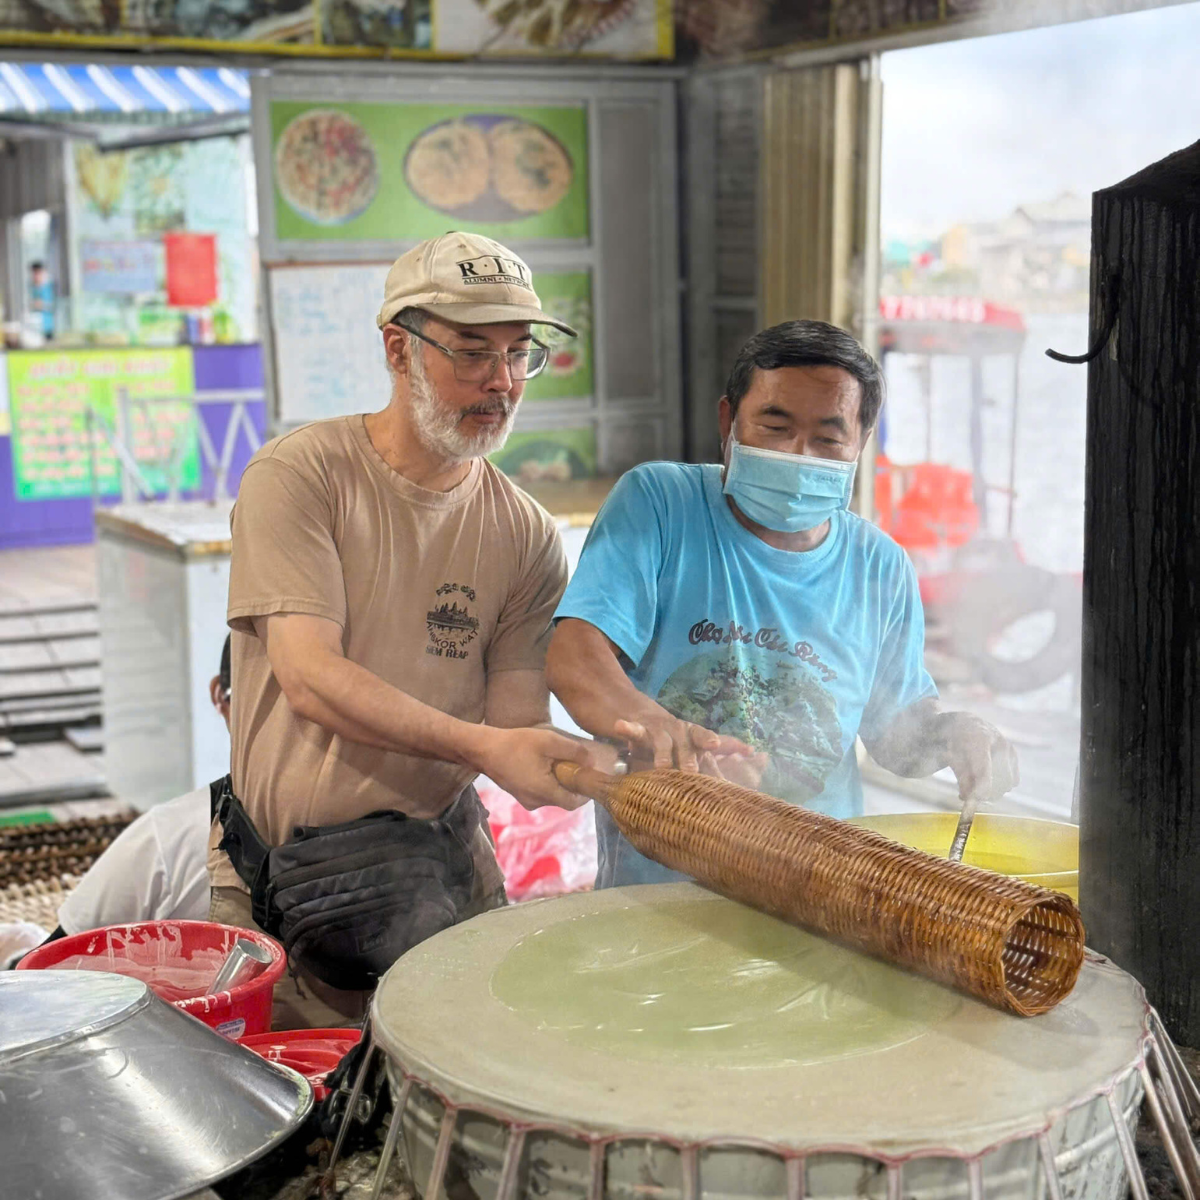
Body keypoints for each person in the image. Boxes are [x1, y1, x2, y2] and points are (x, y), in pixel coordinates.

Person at [207, 231, 603, 1029]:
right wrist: (488, 748)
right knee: (298, 1125)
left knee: (467, 1103)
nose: (501, 381)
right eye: (471, 352)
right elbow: (311, 677)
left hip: (439, 874)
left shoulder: (522, 532)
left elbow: (515, 720)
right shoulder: (302, 476)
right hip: (280, 884)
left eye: (519, 353)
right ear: (399, 349)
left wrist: (585, 760)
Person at [547, 319, 1019, 887]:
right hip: (659, 883)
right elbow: (575, 656)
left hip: (820, 891)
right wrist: (663, 733)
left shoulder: (880, 567)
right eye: (775, 427)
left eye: (827, 438)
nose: (799, 455)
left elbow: (897, 736)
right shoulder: (660, 506)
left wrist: (954, 735)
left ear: (861, 443)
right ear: (728, 422)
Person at [19, 638, 231, 952]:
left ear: (220, 695)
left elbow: (50, 970)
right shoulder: (173, 836)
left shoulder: (170, 837)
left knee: (22, 947)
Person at [28, 262, 54, 341]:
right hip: (34, 327)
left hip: (48, 328)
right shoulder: (30, 288)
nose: (36, 276)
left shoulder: (49, 287)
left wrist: (42, 305)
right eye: (34, 273)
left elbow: (55, 305)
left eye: (38, 273)